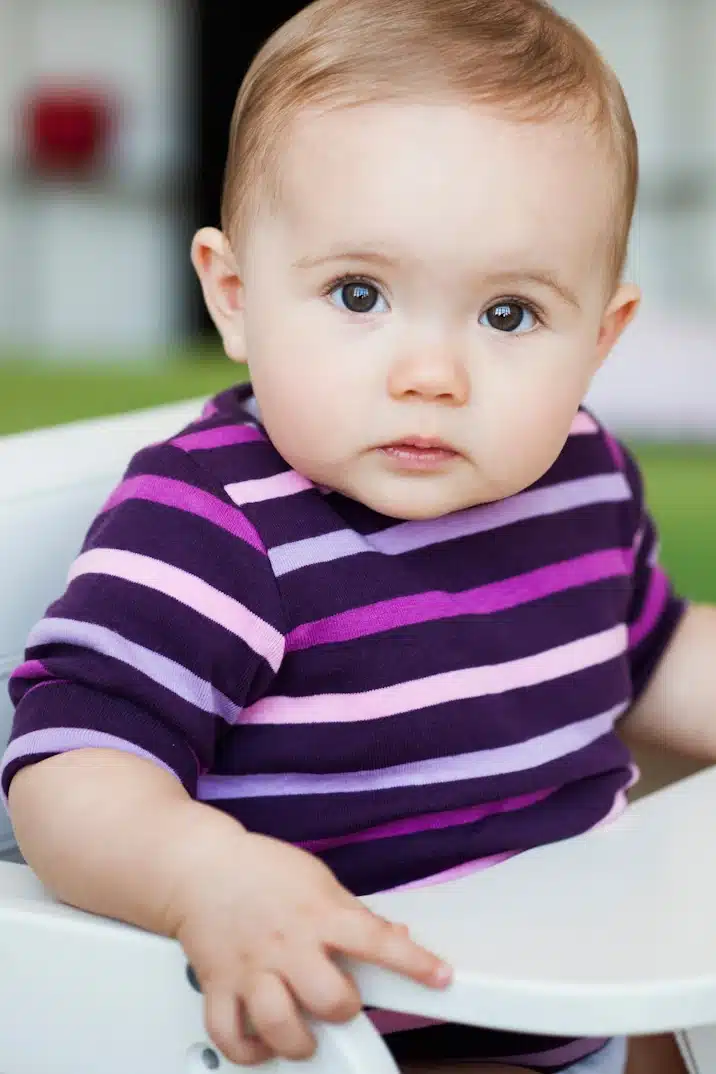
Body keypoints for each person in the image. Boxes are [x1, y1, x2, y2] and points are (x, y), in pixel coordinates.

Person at [2, 1, 710, 1070]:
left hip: (583, 1015)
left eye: (507, 314)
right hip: (340, 1036)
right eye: (358, 293)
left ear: (599, 339)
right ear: (234, 298)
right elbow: (69, 770)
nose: (429, 372)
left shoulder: (576, 471)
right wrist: (208, 878)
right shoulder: (214, 523)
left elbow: (651, 654)